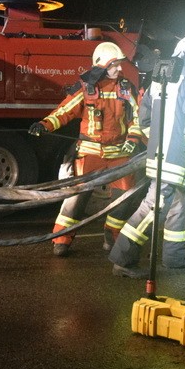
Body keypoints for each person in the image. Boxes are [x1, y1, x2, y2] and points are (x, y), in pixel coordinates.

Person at [108, 34, 185, 278]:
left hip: (157, 156)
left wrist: (159, 143)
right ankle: (122, 259)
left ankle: (175, 258)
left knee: (181, 203)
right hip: (176, 160)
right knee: (152, 208)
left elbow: (143, 120)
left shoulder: (158, 80)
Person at [29, 41, 144, 256]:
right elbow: (65, 111)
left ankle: (112, 238)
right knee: (76, 197)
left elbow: (137, 118)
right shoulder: (86, 87)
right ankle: (61, 240)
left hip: (120, 154)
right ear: (101, 65)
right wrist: (44, 125)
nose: (120, 69)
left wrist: (134, 138)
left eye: (120, 65)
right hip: (90, 154)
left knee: (123, 198)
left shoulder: (126, 88)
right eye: (115, 65)